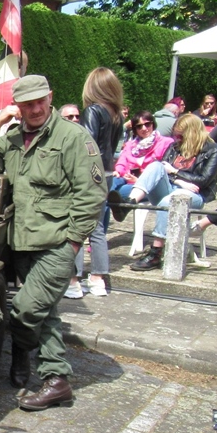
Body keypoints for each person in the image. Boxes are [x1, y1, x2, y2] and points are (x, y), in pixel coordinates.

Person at [0, 75, 105, 410]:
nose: (34, 110)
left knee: (26, 309)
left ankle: (30, 358)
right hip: (21, 242)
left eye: (39, 102)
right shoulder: (13, 137)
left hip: (56, 243)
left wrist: (73, 243)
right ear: (17, 107)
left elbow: (91, 195)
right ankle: (54, 378)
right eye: (26, 104)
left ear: (50, 97)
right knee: (45, 312)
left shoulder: (73, 137)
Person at [110, 114, 217, 271]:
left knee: (169, 201)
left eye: (181, 135)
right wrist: (179, 180)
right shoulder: (175, 147)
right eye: (176, 135)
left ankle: (156, 252)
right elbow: (163, 169)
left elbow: (203, 180)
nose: (177, 138)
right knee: (155, 166)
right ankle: (129, 203)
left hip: (195, 195)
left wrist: (175, 171)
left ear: (192, 133)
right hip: (173, 186)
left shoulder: (212, 150)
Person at [71, 67, 123, 298]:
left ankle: (73, 280)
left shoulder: (92, 111)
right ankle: (98, 279)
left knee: (77, 225)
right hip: (108, 173)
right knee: (98, 228)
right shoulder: (116, 114)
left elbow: (87, 145)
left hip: (91, 174)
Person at [109, 110, 174, 199]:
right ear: (135, 129)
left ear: (153, 124)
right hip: (127, 178)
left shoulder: (166, 142)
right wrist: (118, 171)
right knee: (110, 183)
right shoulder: (130, 145)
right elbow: (122, 162)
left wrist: (138, 180)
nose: (143, 128)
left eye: (147, 124)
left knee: (117, 192)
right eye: (139, 126)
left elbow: (162, 169)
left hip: (148, 184)